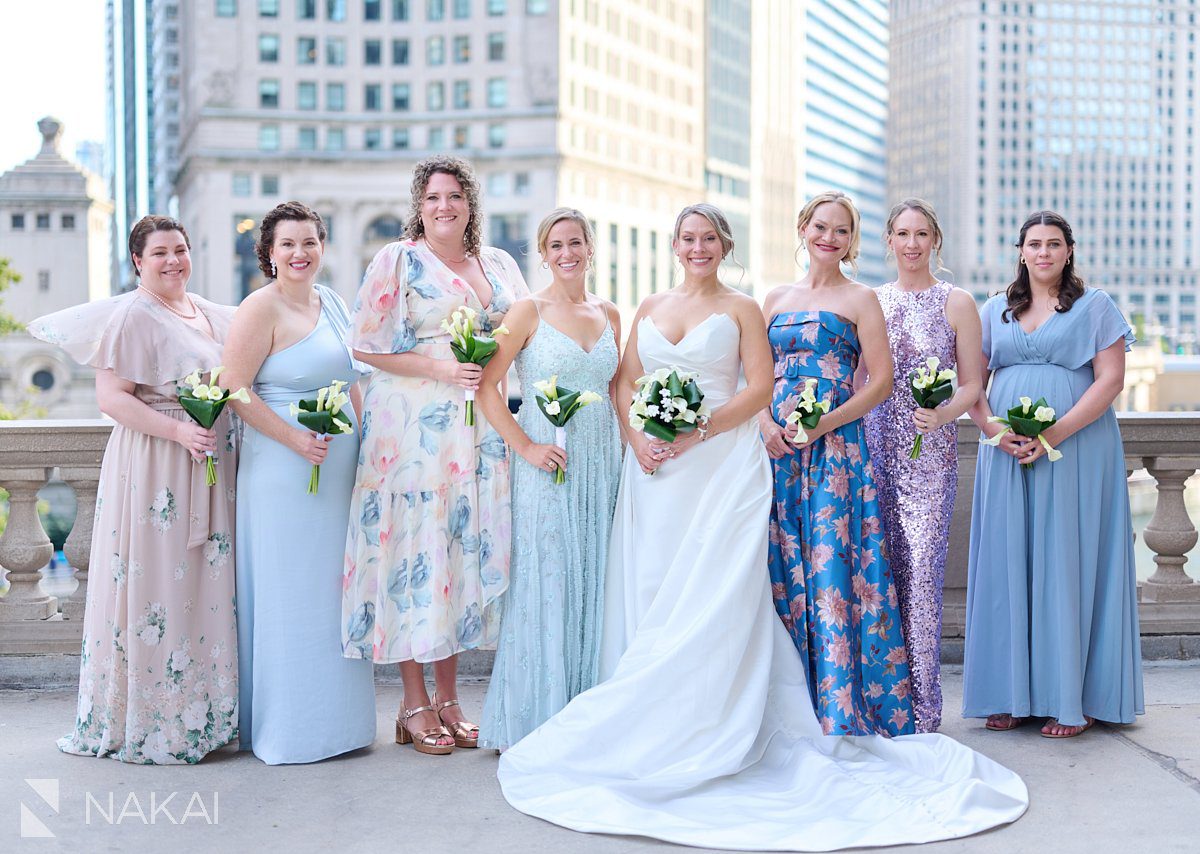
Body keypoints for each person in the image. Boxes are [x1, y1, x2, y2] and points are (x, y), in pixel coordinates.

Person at [496, 203, 1028, 851]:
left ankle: (775, 711)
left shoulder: (755, 305)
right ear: (675, 244)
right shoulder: (662, 305)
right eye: (688, 238)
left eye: (709, 239)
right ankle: (652, 709)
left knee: (750, 584)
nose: (698, 247)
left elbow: (761, 383)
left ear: (726, 246)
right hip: (662, 468)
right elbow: (628, 378)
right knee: (656, 579)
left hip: (731, 460)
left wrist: (706, 429)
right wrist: (641, 435)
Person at [29, 216, 238, 763]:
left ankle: (207, 716)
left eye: (181, 250)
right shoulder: (133, 315)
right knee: (160, 588)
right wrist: (178, 430)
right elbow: (112, 397)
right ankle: (154, 718)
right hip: (158, 464)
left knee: (204, 586)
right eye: (161, 253)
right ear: (138, 262)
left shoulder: (208, 312)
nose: (174, 261)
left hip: (208, 461)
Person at [342, 155, 529, 755]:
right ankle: (412, 703)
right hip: (412, 431)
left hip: (479, 431)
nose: (443, 206)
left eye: (453, 196)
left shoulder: (498, 264)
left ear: (471, 203)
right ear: (417, 207)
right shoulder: (396, 260)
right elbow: (367, 347)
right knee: (413, 556)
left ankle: (451, 700)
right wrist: (443, 367)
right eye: (431, 198)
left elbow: (529, 328)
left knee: (455, 555)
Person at [964, 210, 1144, 738]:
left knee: (1070, 561)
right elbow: (973, 384)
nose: (1044, 252)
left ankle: (1077, 696)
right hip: (1007, 454)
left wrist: (1052, 436)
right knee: (1007, 563)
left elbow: (1110, 381)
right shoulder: (994, 309)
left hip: (1077, 450)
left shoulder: (1096, 306)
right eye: (1034, 244)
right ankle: (1010, 693)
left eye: (1054, 244)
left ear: (1069, 251)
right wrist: (997, 432)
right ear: (1021, 251)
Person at [222, 202, 376, 764]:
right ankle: (292, 732)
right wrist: (293, 439)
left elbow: (353, 379)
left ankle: (344, 726)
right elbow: (234, 388)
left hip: (337, 470)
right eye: (288, 243)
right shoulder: (258, 308)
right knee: (292, 593)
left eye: (310, 241)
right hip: (284, 472)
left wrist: (368, 448)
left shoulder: (332, 301)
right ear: (269, 252)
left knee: (335, 591)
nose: (300, 253)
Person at [760, 191, 915, 737]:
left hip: (836, 449)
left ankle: (840, 707)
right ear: (803, 229)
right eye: (821, 226)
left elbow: (883, 380)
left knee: (830, 568)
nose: (829, 237)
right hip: (777, 448)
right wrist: (764, 422)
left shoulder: (861, 299)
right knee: (778, 568)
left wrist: (826, 423)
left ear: (851, 241)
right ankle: (783, 710)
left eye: (842, 231)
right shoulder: (775, 297)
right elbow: (755, 375)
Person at [476, 208, 622, 751]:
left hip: (602, 460)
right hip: (546, 466)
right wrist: (527, 447)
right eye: (556, 245)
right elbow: (488, 388)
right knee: (548, 581)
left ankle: (588, 717)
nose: (567, 253)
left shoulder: (609, 313)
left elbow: (617, 393)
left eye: (575, 243)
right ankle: (536, 719)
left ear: (590, 248)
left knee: (596, 579)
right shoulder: (526, 310)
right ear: (543, 253)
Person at [861, 199, 983, 733]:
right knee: (876, 577)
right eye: (902, 234)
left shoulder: (956, 303)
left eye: (922, 234)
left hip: (929, 458)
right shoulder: (871, 301)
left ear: (936, 240)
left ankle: (924, 711)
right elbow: (860, 377)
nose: (912, 243)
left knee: (922, 577)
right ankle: (880, 703)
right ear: (888, 240)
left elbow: (975, 384)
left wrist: (944, 413)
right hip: (873, 449)